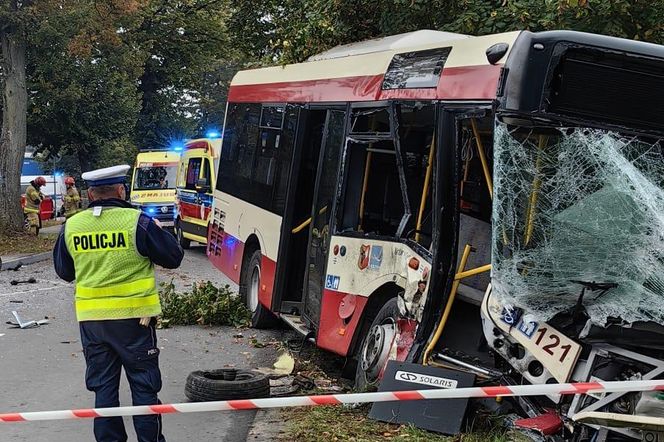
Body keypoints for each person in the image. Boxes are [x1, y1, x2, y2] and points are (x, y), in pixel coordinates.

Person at [53, 164, 184, 442]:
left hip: (92, 323)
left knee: (103, 389)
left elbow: (64, 273)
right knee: (144, 388)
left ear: (90, 194)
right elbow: (173, 257)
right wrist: (161, 231)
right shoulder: (138, 222)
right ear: (122, 190)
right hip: (135, 321)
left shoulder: (72, 226)